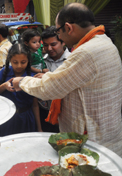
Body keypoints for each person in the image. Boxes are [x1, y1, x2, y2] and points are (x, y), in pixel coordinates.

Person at [11, 3, 122, 157]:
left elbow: (49, 88)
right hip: (107, 132)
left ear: (68, 28)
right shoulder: (104, 42)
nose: (60, 37)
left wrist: (22, 82)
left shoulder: (86, 52)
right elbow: (73, 81)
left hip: (91, 140)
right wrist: (50, 77)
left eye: (58, 32)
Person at [0, 43, 42, 136]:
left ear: (28, 61)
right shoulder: (4, 72)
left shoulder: (31, 77)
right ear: (10, 60)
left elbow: (35, 105)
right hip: (6, 118)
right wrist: (3, 86)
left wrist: (39, 128)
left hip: (26, 119)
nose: (19, 66)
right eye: (15, 62)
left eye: (23, 62)